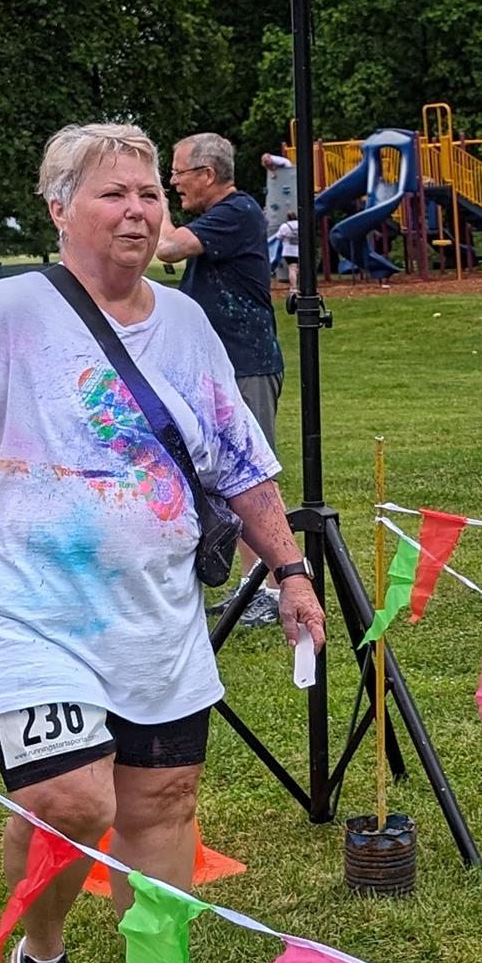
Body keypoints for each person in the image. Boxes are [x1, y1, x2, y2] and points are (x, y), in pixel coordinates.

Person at [0, 122, 325, 963]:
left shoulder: (187, 326)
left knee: (163, 803)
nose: (138, 211)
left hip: (152, 615)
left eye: (150, 194)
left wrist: (287, 569)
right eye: (114, 194)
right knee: (70, 800)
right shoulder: (7, 313)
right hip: (19, 613)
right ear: (59, 208)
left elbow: (240, 466)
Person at [160, 132, 285, 627]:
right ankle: (251, 589)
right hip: (217, 369)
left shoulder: (238, 212)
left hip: (246, 364)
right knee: (224, 476)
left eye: (176, 174)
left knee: (251, 475)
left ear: (207, 174)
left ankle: (273, 591)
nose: (172, 183)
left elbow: (168, 247)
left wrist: (149, 195)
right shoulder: (220, 219)